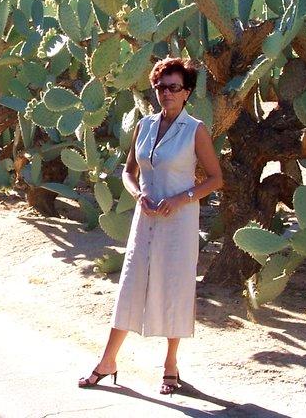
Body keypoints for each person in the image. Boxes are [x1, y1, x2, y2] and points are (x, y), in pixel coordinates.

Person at [79, 57, 223, 395]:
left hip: (179, 220)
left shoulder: (196, 129)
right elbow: (129, 172)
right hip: (145, 218)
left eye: (174, 88)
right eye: (161, 87)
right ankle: (107, 361)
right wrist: (138, 193)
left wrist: (182, 198)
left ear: (186, 92)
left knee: (175, 286)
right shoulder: (144, 126)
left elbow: (216, 179)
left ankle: (171, 364)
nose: (167, 93)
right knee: (130, 283)